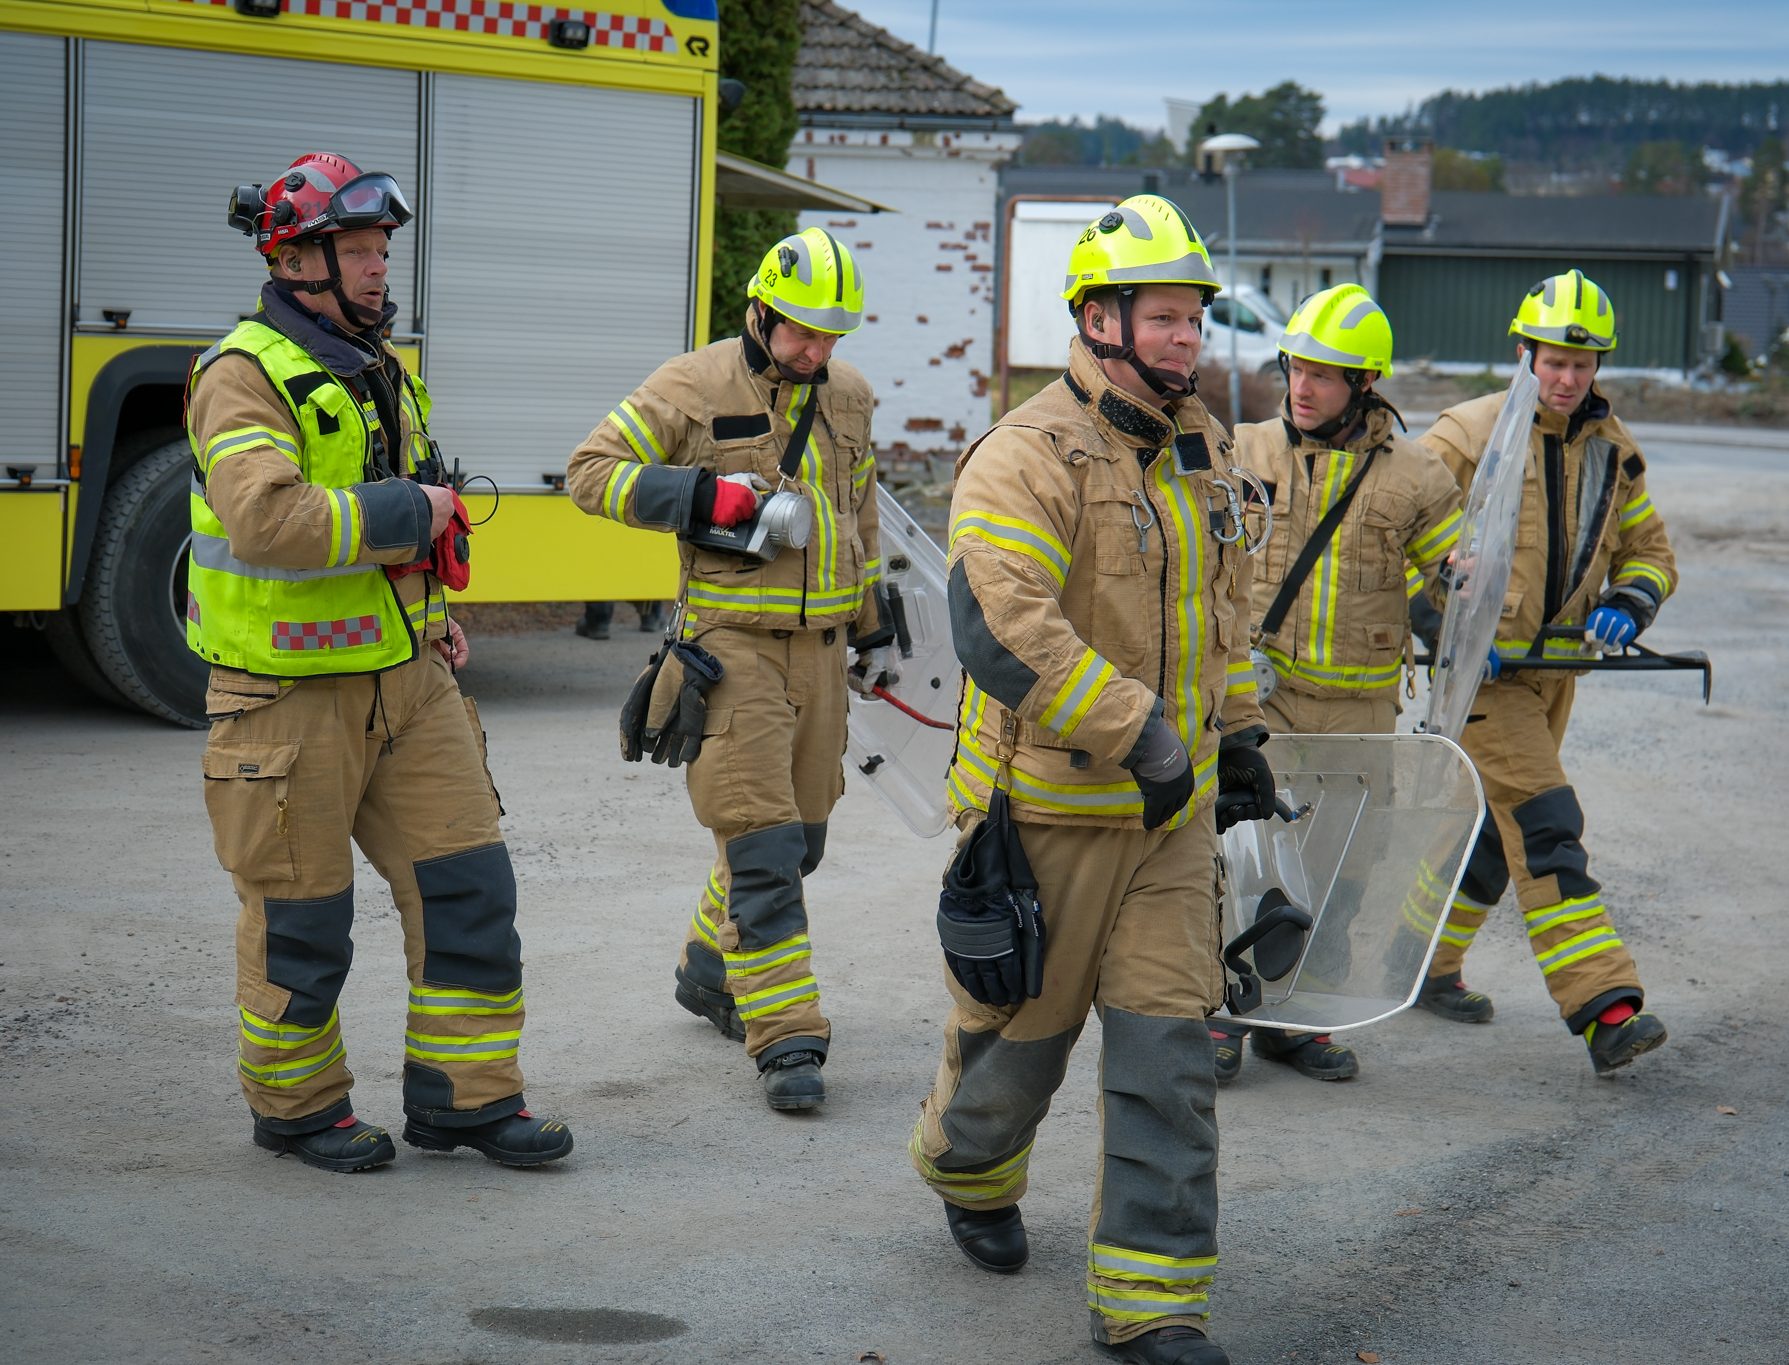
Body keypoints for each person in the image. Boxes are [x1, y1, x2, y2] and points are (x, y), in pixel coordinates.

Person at [910, 195, 1281, 1365]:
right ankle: (965, 1174)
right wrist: (1142, 735)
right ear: (1096, 317)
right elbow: (999, 632)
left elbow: (1225, 616)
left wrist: (1240, 732)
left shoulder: (1201, 445)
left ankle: (1151, 1304)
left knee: (1170, 1059)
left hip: (1167, 829)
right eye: (1164, 318)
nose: (1186, 339)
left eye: (1193, 319)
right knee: (1015, 1049)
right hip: (1048, 814)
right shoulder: (1025, 453)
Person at [192, 153, 572, 1172]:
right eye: (353, 250)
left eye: (380, 250)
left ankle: (467, 1099)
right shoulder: (240, 374)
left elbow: (398, 522)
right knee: (301, 925)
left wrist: (431, 614)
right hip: (283, 701)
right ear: (293, 258)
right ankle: (297, 1109)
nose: (375, 269)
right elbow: (268, 520)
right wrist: (414, 514)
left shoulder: (381, 367)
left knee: (471, 889)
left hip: (408, 682)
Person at [565, 228, 892, 1112]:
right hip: (731, 649)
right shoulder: (692, 384)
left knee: (803, 838)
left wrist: (875, 629)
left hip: (821, 653)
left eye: (831, 337)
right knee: (763, 849)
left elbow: (858, 520)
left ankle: (711, 967)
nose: (817, 352)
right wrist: (703, 497)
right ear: (759, 309)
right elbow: (589, 473)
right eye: (799, 332)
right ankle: (787, 1040)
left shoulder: (851, 396)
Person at [1412, 269, 1675, 1074]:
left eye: (1582, 363)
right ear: (1522, 351)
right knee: (1549, 825)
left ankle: (1421, 959)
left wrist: (1629, 604)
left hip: (1552, 673)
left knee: (1492, 837)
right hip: (1482, 679)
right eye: (1552, 359)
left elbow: (1650, 553)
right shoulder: (1466, 436)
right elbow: (1391, 545)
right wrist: (1449, 627)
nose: (1565, 378)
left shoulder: (1613, 449)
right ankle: (1605, 1007)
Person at [1209, 284, 1463, 1087]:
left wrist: (1461, 587)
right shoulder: (1241, 451)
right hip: (1260, 700)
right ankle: (1223, 1010)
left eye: (1323, 374)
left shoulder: (1420, 477)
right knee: (1240, 857)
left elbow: (1455, 583)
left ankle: (1302, 1019)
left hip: (1358, 710)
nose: (1302, 386)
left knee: (1344, 869)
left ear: (1366, 385)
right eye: (1295, 367)